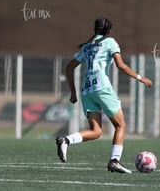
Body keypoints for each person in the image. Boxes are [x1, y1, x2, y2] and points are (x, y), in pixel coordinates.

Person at [56, 18, 153, 174]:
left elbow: (69, 68)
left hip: (87, 91)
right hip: (102, 87)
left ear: (94, 30)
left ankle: (66, 140)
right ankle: (114, 160)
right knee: (120, 125)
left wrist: (73, 92)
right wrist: (141, 78)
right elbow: (120, 65)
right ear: (109, 31)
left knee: (96, 131)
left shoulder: (87, 46)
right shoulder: (110, 42)